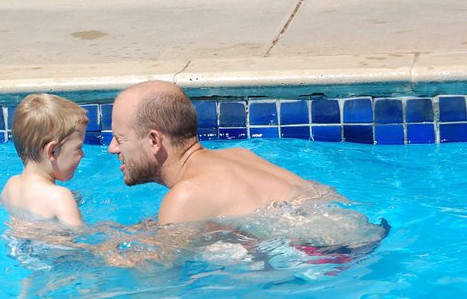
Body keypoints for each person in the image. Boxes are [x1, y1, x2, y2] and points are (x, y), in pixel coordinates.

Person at [106, 80, 387, 253]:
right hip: (363, 232)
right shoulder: (238, 155)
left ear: (154, 140)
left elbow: (157, 272)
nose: (112, 149)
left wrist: (88, 251)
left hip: (330, 257)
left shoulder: (186, 196)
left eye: (120, 139)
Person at [0, 93, 88, 226]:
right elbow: (80, 235)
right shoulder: (60, 197)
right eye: (78, 148)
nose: (82, 154)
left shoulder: (11, 185)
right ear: (52, 151)